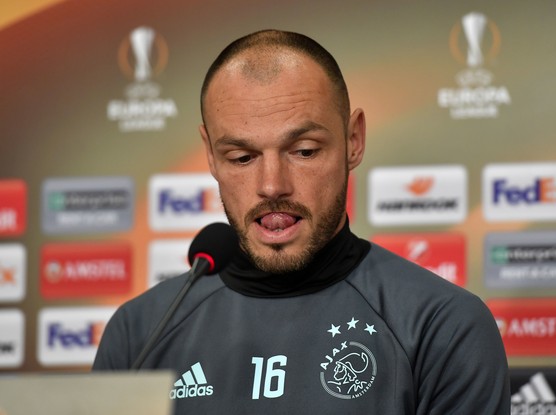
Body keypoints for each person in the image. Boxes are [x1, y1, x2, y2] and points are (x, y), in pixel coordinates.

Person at [93, 29, 510, 414]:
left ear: (353, 141)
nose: (272, 185)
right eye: (241, 157)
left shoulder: (444, 325)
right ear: (210, 155)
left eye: (304, 151)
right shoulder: (139, 334)